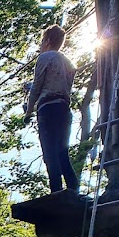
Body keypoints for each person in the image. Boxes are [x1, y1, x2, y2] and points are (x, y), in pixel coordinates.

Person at [25, 25, 79, 194]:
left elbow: (39, 87)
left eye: (42, 41)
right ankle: (73, 189)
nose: (40, 45)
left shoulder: (45, 57)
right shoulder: (69, 64)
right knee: (62, 152)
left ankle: (56, 191)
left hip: (47, 109)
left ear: (47, 41)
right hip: (64, 109)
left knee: (50, 154)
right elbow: (56, 85)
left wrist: (28, 112)